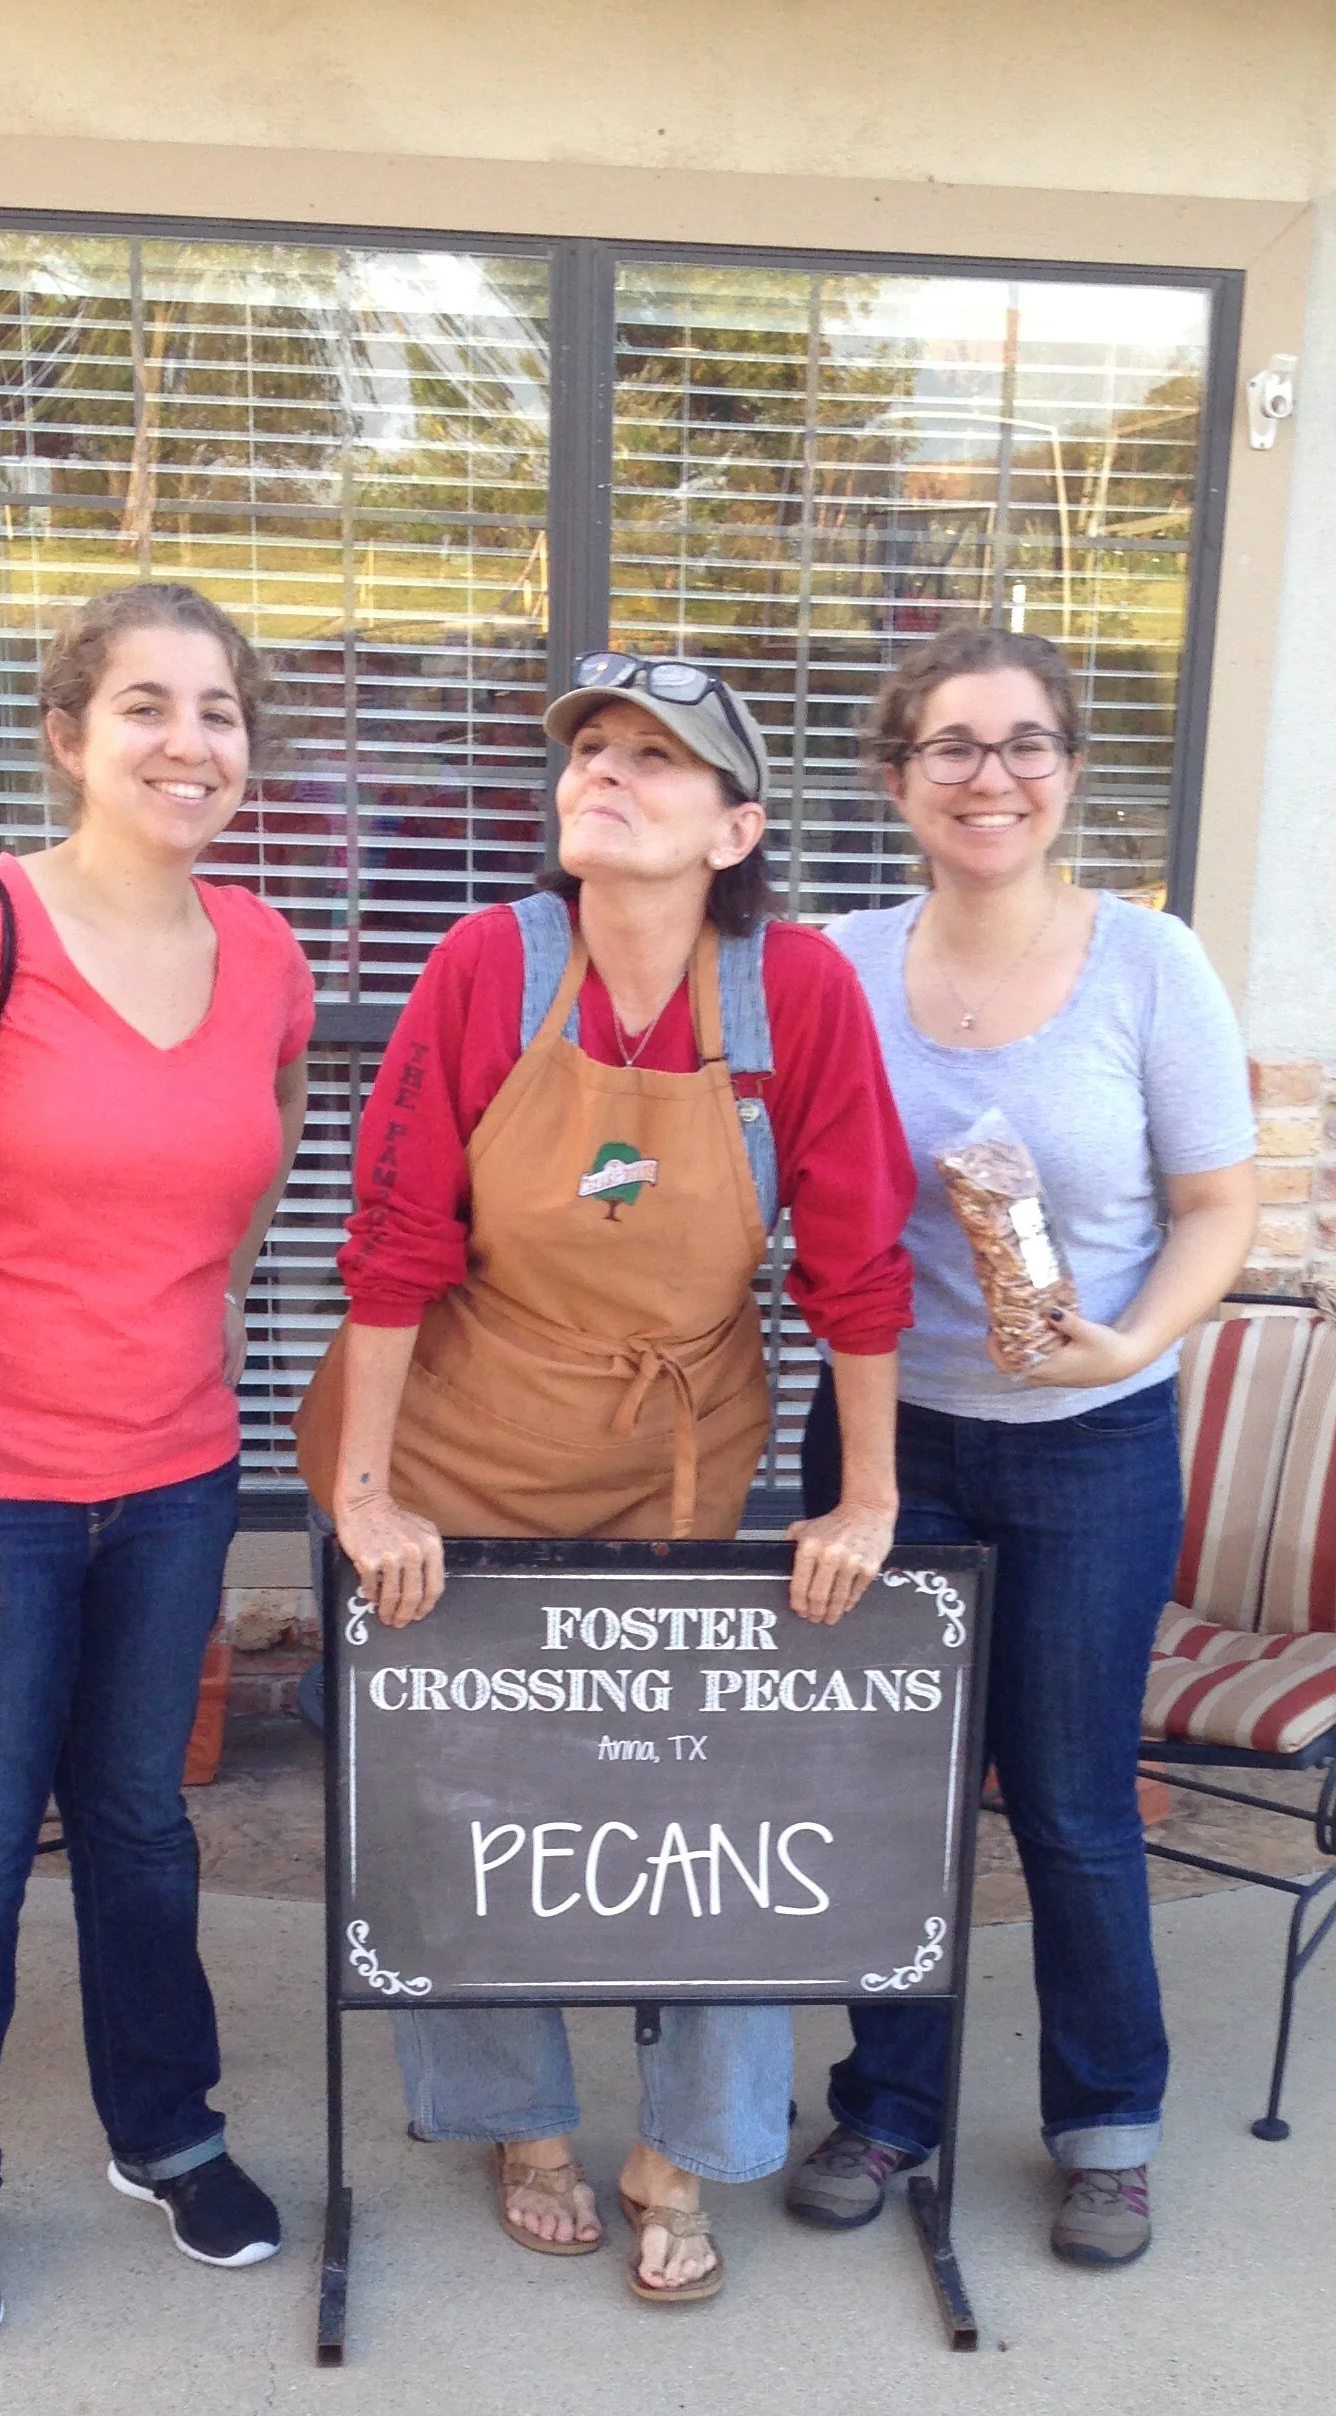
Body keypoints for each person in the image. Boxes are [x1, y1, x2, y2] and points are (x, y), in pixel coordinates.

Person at [296, 653, 913, 2304]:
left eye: (659, 760)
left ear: (737, 827)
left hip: (680, 1453)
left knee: (710, 1790)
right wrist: (367, 1497)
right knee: (466, 1782)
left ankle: (692, 2147)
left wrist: (864, 1499)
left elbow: (855, 1264)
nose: (609, 776)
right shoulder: (492, 965)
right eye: (593, 753)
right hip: (467, 1436)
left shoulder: (797, 996)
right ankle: (521, 2124)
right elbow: (396, 1236)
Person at [0, 583, 314, 2342]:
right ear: (69, 736)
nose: (191, 742)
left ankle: (167, 2135)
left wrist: (171, 1361)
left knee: (140, 1824)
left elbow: (245, 1195)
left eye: (221, 713)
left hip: (171, 1474)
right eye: (147, 707)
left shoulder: (264, 956)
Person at [787, 628, 1259, 2268]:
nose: (992, 777)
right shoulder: (833, 962)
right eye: (954, 748)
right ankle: (887, 2104)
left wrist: (1132, 1341)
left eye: (1026, 744)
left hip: (1086, 1444)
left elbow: (1217, 1206)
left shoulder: (1148, 962)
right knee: (886, 1796)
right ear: (898, 777)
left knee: (1068, 1803)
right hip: (879, 1440)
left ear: (1068, 768)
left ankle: (1108, 2125)